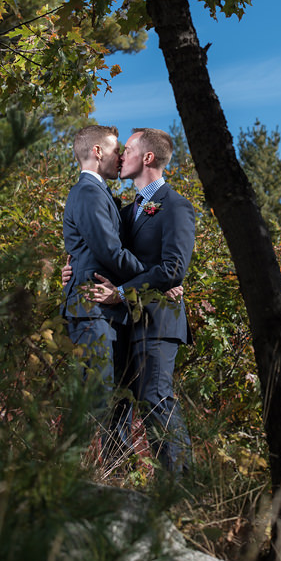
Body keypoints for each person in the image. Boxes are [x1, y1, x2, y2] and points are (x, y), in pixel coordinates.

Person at [64, 127, 195, 477]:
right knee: (118, 400)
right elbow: (100, 247)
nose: (121, 156)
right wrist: (75, 268)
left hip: (158, 319)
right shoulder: (125, 210)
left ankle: (181, 485)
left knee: (155, 397)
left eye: (129, 150)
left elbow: (172, 268)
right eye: (118, 150)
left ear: (147, 158)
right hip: (123, 320)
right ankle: (117, 478)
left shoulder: (177, 207)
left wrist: (143, 286)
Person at [62, 124, 146, 455]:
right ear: (97, 152)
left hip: (109, 309)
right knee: (97, 396)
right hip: (92, 308)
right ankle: (82, 473)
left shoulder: (102, 195)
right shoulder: (86, 192)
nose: (120, 158)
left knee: (118, 396)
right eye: (115, 151)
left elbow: (88, 250)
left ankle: (113, 472)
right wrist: (155, 277)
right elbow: (108, 250)